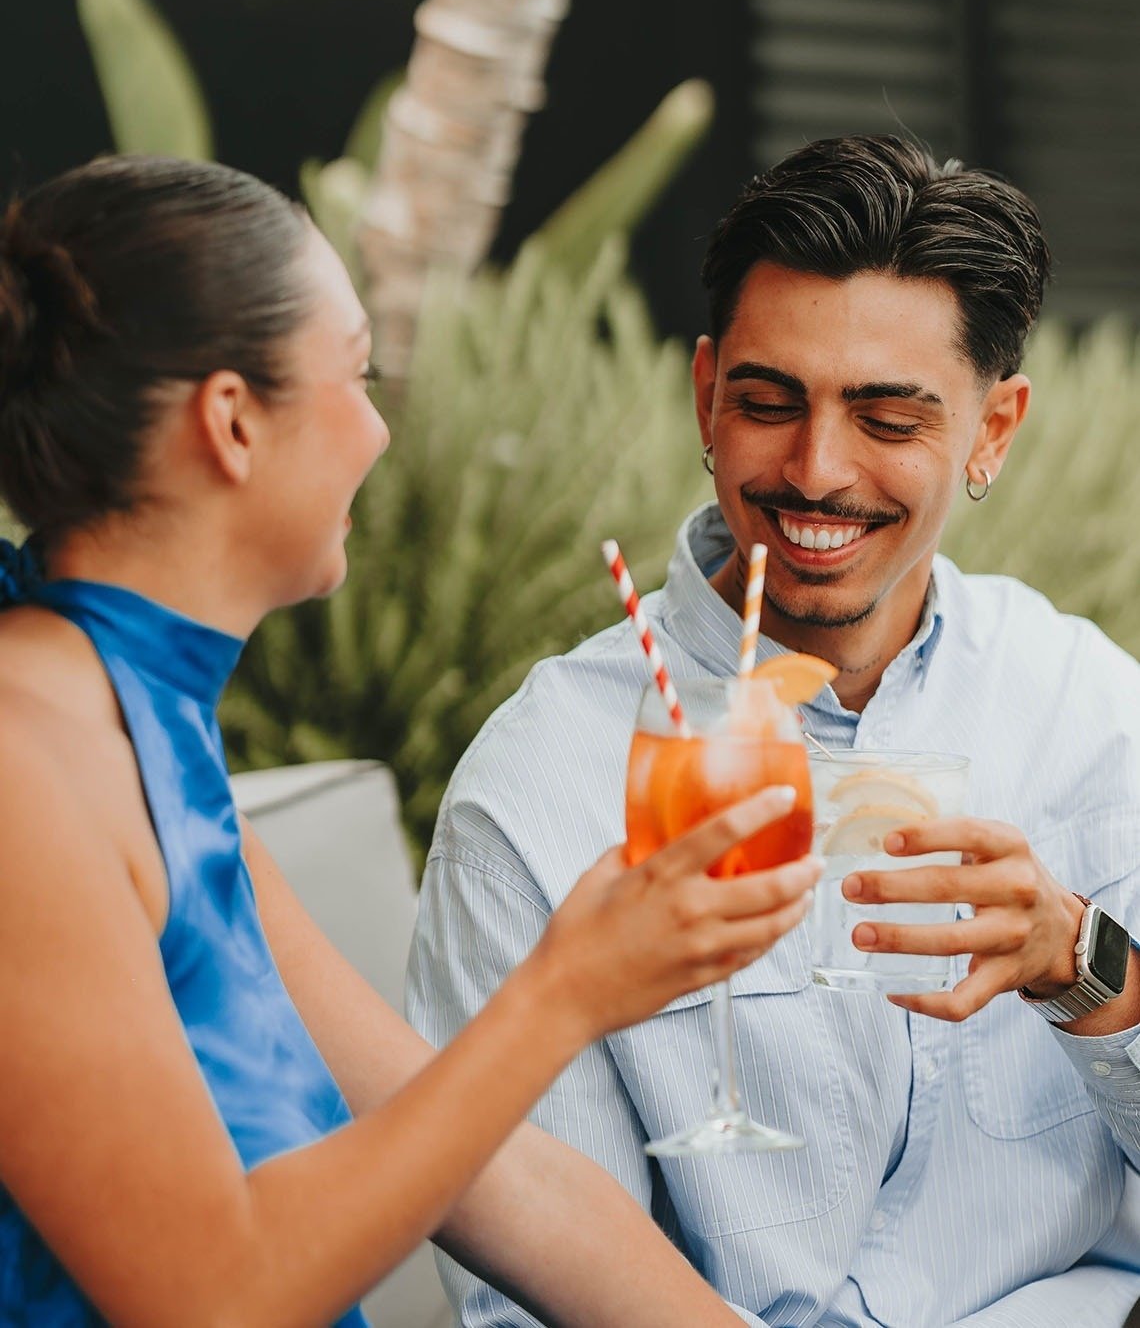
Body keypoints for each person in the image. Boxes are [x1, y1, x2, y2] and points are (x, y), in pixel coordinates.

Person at [0, 153, 824, 1327]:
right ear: (231, 421)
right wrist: (565, 992)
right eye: (356, 374)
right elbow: (206, 1298)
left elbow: (500, 1173)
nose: (379, 433)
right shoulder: (24, 768)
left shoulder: (137, 727)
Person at [409, 134, 1140, 1327]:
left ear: (994, 430)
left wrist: (1084, 968)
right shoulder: (542, 792)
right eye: (768, 403)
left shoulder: (1086, 706)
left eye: (889, 419)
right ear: (706, 396)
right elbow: (528, 1298)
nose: (816, 470)